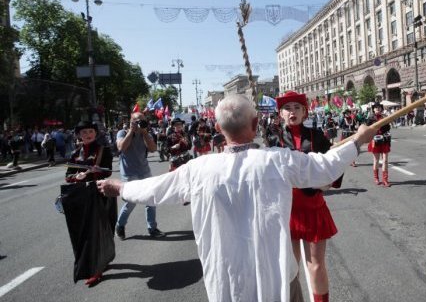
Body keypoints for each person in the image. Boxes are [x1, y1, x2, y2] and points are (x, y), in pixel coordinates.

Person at [97, 94, 376, 302]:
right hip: (277, 276)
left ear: (218, 129)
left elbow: (152, 190)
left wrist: (119, 187)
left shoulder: (197, 169)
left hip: (226, 279)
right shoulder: (278, 161)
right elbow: (325, 167)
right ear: (256, 123)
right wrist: (359, 140)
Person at [265, 91, 342, 302]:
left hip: (312, 207)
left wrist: (328, 182)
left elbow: (333, 164)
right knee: (290, 269)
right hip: (286, 210)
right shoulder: (273, 139)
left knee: (316, 265)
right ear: (280, 113)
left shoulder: (317, 136)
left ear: (305, 112)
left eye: (297, 107)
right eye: (287, 108)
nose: (292, 112)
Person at [61, 121, 115, 286]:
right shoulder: (75, 153)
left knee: (100, 231)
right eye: (84, 132)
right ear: (79, 135)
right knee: (85, 232)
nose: (88, 134)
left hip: (100, 193)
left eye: (91, 131)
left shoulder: (103, 150)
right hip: (82, 196)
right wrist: (76, 177)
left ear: (95, 133)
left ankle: (97, 269)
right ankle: (96, 263)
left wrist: (97, 170)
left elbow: (108, 170)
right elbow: (68, 175)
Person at [114, 112, 165, 240]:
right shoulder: (122, 132)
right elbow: (121, 147)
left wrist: (144, 132)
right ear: (131, 121)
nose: (139, 122)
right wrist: (131, 131)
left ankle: (152, 228)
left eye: (142, 120)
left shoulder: (145, 133)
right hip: (129, 173)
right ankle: (120, 225)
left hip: (144, 171)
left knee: (151, 199)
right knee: (131, 203)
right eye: (137, 120)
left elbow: (153, 149)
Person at [367, 102, 392, 187]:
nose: (377, 108)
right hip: (375, 140)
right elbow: (368, 129)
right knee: (376, 160)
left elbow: (388, 128)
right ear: (373, 109)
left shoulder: (384, 117)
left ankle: (385, 180)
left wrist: (386, 122)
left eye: (379, 107)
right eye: (376, 107)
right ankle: (376, 178)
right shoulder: (370, 118)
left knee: (385, 160)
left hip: (384, 140)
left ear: (381, 108)